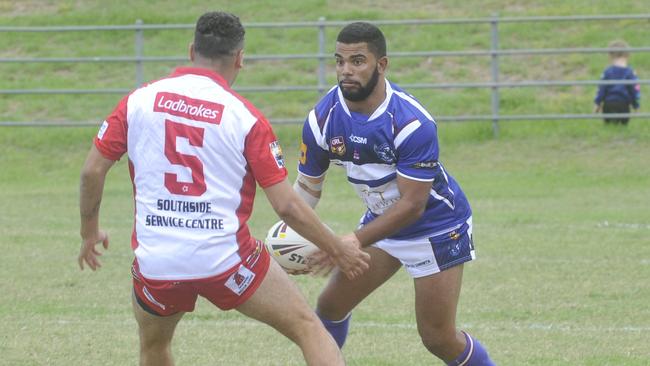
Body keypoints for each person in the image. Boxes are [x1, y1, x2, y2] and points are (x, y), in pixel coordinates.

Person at [77, 11, 370, 366]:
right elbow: (287, 207)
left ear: (190, 51)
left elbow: (92, 171)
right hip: (225, 259)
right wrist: (336, 248)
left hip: (159, 261)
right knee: (308, 328)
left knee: (153, 348)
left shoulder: (138, 101)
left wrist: (89, 233)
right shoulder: (245, 118)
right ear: (240, 58)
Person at [293, 22, 496, 365]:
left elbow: (413, 205)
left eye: (358, 61)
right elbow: (306, 190)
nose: (346, 71)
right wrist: (287, 237)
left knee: (438, 338)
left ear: (381, 65)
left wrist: (349, 242)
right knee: (330, 307)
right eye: (340, 61)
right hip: (381, 223)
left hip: (436, 228)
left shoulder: (411, 122)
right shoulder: (322, 119)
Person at [593, 40, 641, 125]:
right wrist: (635, 105)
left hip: (608, 104)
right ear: (627, 55)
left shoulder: (607, 71)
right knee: (622, 126)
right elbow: (634, 90)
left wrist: (597, 103)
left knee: (609, 126)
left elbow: (601, 89)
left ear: (610, 56)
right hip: (624, 105)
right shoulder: (630, 72)